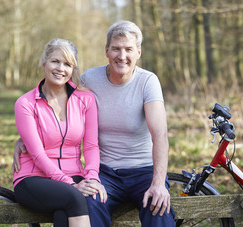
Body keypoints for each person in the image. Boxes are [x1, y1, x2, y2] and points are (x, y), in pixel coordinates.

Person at [14, 21, 175, 226]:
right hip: (105, 171)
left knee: (158, 207)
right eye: (116, 48)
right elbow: (50, 103)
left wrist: (159, 183)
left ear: (139, 52)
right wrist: (24, 139)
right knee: (89, 201)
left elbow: (159, 134)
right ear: (106, 50)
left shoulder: (148, 81)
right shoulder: (90, 80)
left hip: (143, 171)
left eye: (128, 49)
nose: (122, 56)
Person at [13, 38, 107, 227]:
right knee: (73, 197)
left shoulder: (86, 100)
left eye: (67, 64)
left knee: (87, 200)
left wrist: (92, 177)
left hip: (74, 174)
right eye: (55, 61)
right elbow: (37, 154)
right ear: (44, 62)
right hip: (33, 178)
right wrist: (70, 184)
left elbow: (90, 146)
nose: (60, 68)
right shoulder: (25, 103)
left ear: (73, 68)